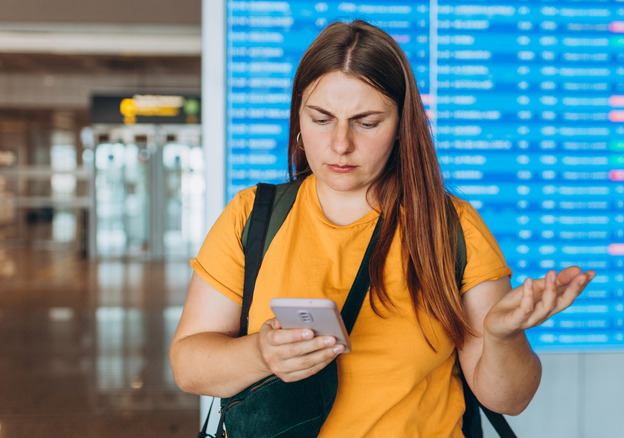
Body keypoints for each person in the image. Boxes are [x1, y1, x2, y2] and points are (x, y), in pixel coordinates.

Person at [170, 20, 595, 437]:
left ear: (401, 127)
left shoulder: (451, 227)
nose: (341, 144)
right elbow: (188, 366)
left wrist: (502, 337)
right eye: (321, 119)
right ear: (297, 118)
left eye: (367, 122)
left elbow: (510, 399)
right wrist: (261, 354)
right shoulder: (252, 215)